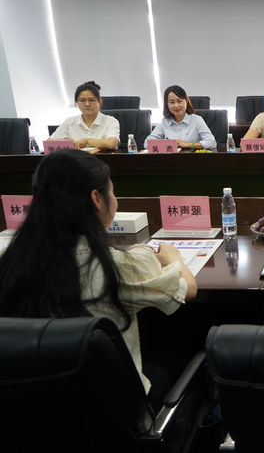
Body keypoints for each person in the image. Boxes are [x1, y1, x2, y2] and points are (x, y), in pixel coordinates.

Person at [0, 149, 197, 401]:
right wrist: (173, 258)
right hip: (114, 410)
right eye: (112, 191)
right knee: (181, 348)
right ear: (97, 198)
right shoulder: (115, 267)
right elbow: (188, 289)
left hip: (34, 406)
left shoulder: (10, 262)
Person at [49, 80, 120, 150]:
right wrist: (68, 142)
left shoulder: (110, 121)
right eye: (82, 100)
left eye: (91, 100)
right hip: (75, 157)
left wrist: (87, 141)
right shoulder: (70, 122)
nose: (87, 104)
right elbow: (49, 143)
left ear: (100, 101)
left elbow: (112, 143)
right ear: (76, 102)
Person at [144, 85, 217, 150]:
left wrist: (187, 144)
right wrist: (168, 144)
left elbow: (212, 143)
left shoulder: (197, 120)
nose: (176, 106)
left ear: (186, 101)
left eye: (179, 101)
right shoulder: (164, 122)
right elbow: (147, 144)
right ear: (167, 105)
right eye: (172, 102)